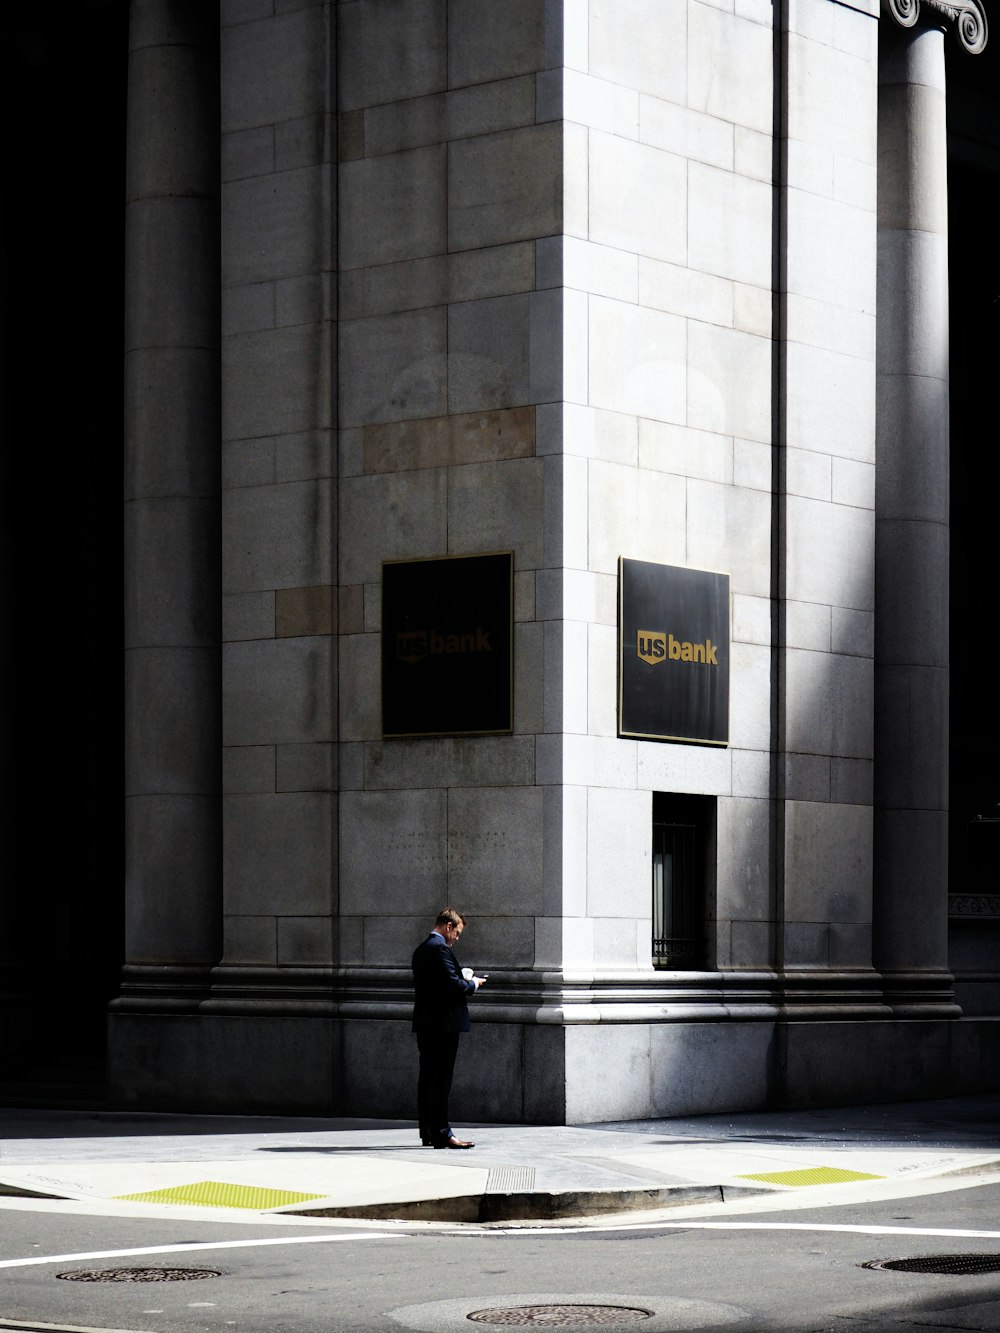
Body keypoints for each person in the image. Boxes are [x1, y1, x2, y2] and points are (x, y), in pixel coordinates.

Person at [411, 907, 486, 1149]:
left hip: (427, 1024)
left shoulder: (422, 950)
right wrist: (472, 983)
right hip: (442, 1026)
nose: (457, 938)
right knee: (441, 1080)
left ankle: (430, 1132)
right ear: (448, 926)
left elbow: (437, 984)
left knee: (428, 1079)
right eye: (458, 933)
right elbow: (452, 986)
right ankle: (442, 1132)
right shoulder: (439, 948)